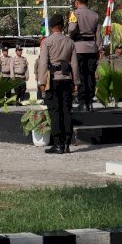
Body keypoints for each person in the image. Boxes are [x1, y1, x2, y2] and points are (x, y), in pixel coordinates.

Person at [38, 13, 79, 155]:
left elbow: (43, 63)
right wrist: (76, 81)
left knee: (55, 111)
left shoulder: (47, 42)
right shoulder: (70, 42)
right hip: (67, 79)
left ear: (51, 27)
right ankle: (67, 143)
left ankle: (58, 144)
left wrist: (42, 82)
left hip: (53, 80)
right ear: (62, 26)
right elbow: (74, 64)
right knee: (67, 111)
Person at [67, 0, 101, 112]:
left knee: (80, 75)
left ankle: (82, 103)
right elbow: (98, 35)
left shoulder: (74, 13)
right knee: (90, 75)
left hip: (78, 48)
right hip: (92, 48)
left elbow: (71, 29)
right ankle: (90, 102)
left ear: (77, 2)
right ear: (87, 2)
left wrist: (70, 36)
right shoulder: (95, 15)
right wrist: (98, 49)